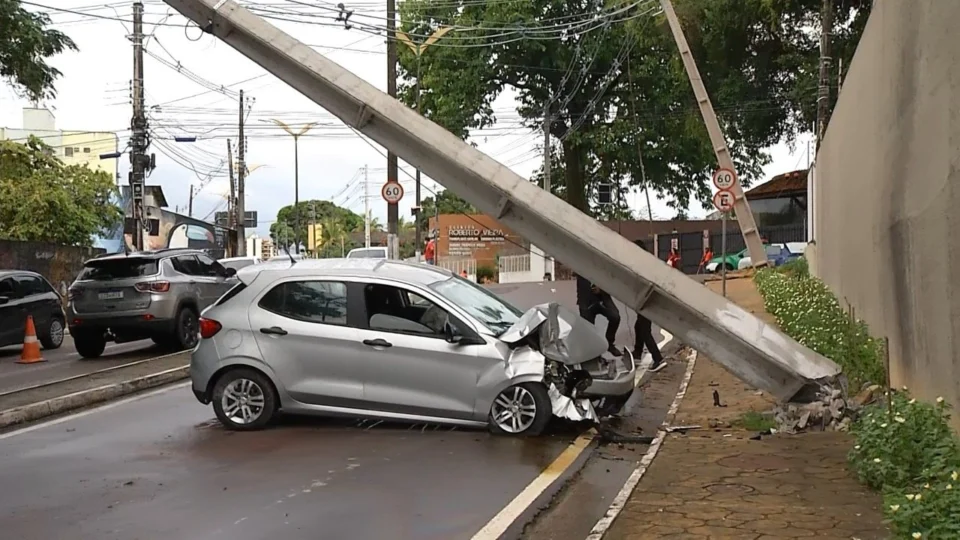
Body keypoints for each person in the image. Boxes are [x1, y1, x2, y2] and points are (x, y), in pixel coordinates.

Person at [634, 240, 666, 372]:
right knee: (639, 326)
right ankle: (637, 354)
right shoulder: (647, 261)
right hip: (648, 298)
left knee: (644, 329)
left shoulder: (642, 263)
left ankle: (657, 358)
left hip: (647, 299)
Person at [575, 273, 622, 357]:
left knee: (615, 317)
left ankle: (609, 343)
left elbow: (609, 275)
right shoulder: (580, 261)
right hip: (586, 299)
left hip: (603, 297)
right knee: (588, 329)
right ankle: (594, 352)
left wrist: (601, 288)